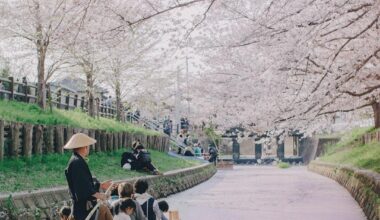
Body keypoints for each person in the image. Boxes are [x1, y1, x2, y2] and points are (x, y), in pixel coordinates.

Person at [64, 133, 113, 220]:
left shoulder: (77, 161)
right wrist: (98, 195)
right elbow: (81, 188)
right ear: (85, 147)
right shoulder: (77, 163)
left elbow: (84, 183)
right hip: (82, 210)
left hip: (83, 207)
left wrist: (100, 185)